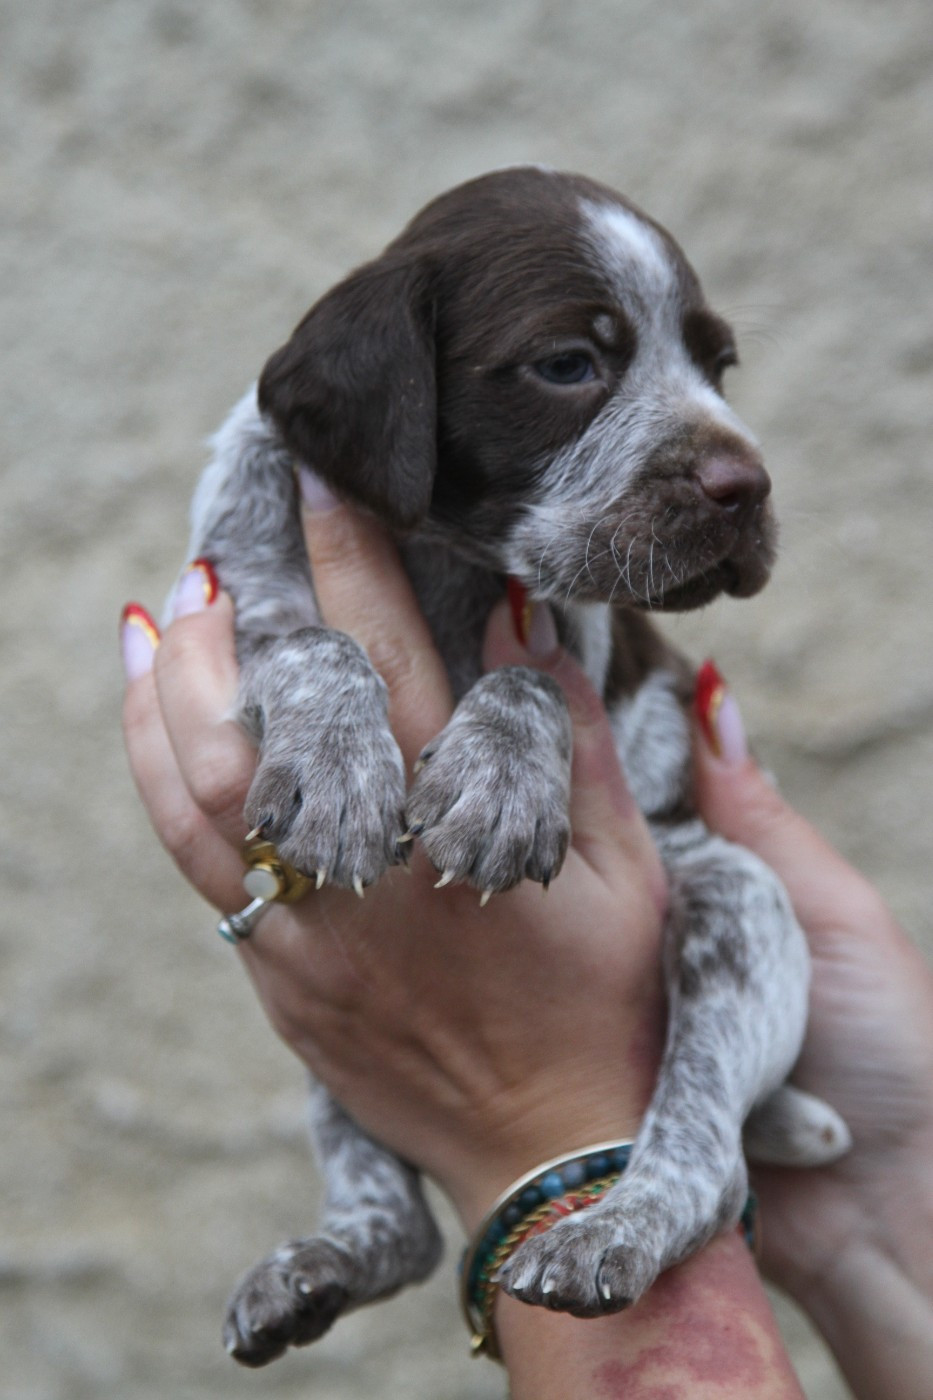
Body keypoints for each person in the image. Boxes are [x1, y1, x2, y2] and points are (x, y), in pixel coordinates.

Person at [121, 478, 933, 1399]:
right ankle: (370, 1216)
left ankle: (683, 1181)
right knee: (360, 931)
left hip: (676, 947)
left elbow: (565, 694)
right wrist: (873, 1206)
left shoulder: (549, 573)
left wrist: (542, 1138)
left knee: (729, 887)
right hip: (845, 1191)